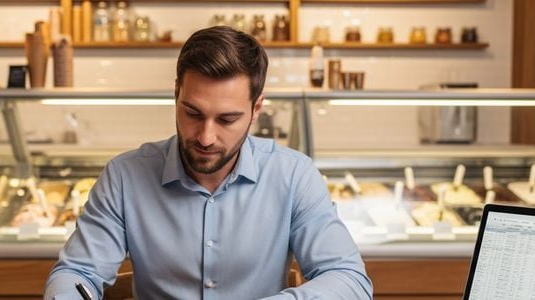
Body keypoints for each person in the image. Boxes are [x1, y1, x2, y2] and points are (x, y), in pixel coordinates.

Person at [45, 26, 373, 299]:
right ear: (176, 94)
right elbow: (77, 272)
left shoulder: (293, 175)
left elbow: (349, 279)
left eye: (227, 119)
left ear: (256, 109)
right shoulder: (124, 176)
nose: (205, 137)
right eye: (193, 114)